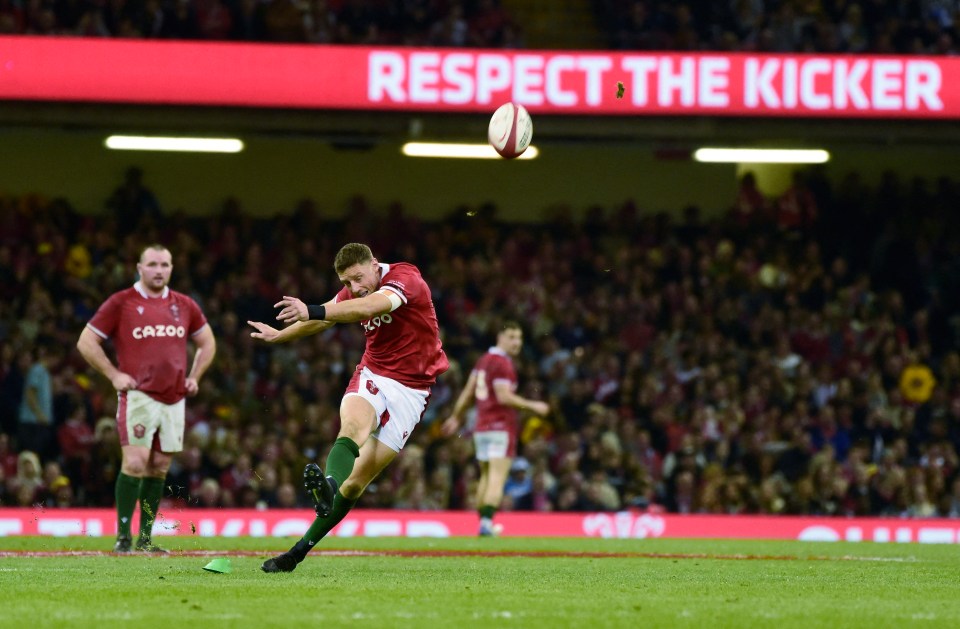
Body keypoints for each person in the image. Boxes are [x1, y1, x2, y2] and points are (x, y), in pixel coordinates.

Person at [248, 242, 448, 573]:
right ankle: (327, 485)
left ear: (374, 264)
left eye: (357, 278)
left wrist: (313, 309)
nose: (354, 289)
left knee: (355, 484)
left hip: (413, 390)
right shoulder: (353, 292)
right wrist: (278, 337)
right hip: (374, 373)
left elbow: (368, 307)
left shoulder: (405, 278)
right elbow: (323, 320)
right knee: (353, 428)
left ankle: (297, 552)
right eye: (346, 283)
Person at [76, 244, 216, 553]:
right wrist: (113, 375)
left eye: (165, 265)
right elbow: (86, 341)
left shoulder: (184, 305)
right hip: (138, 395)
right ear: (139, 268)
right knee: (136, 463)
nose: (159, 270)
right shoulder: (122, 302)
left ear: (171, 269)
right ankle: (123, 538)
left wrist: (195, 377)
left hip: (174, 398)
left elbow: (207, 342)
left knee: (159, 467)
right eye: (152, 264)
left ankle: (146, 540)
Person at [441, 321, 549, 535]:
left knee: (486, 476)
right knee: (497, 477)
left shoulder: (483, 360)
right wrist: (533, 405)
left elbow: (468, 391)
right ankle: (487, 523)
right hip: (500, 427)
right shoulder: (503, 363)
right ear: (499, 337)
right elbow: (503, 396)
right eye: (511, 337)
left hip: (481, 427)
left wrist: (456, 417)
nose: (516, 342)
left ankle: (483, 523)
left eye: (519, 338)